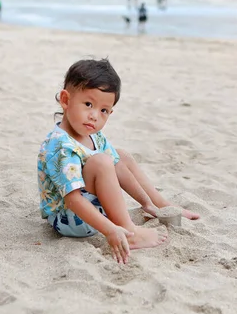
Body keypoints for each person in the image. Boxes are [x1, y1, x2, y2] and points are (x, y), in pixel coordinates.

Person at [37, 59, 199, 264]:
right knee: (102, 162)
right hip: (70, 219)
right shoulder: (60, 146)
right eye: (88, 104)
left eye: (104, 110)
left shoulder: (93, 134)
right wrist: (111, 230)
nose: (94, 116)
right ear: (65, 100)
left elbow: (118, 166)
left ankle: (159, 203)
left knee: (120, 156)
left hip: (92, 208)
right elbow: (73, 200)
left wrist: (146, 203)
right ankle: (130, 232)